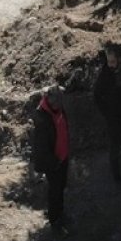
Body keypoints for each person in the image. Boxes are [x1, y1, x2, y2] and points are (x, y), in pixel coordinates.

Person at [92, 43, 121, 182]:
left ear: (119, 59)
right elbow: (97, 96)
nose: (110, 64)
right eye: (108, 61)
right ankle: (117, 177)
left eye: (112, 61)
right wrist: (107, 114)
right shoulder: (105, 74)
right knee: (115, 147)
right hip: (113, 118)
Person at [32, 86, 71, 232]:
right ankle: (55, 221)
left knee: (61, 187)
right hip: (53, 162)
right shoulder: (42, 118)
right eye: (58, 103)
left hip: (63, 157)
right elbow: (41, 148)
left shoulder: (58, 109)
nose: (60, 106)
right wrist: (53, 163)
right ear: (50, 101)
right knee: (55, 191)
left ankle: (60, 214)